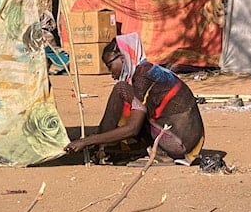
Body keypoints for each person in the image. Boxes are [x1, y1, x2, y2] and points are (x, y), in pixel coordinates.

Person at [65, 34, 205, 165]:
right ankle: (102, 145)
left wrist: (87, 141)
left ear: (122, 57)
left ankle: (103, 147)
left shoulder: (143, 76)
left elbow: (133, 128)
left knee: (123, 94)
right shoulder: (146, 70)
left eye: (110, 66)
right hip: (186, 138)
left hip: (178, 142)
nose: (111, 73)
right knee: (122, 91)